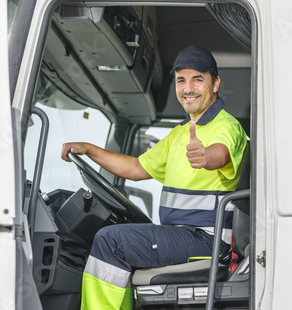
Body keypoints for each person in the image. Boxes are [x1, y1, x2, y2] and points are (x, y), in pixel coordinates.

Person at [61, 45, 247, 310]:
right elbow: (137, 168)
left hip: (207, 240)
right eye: (181, 80)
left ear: (215, 83)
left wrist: (206, 156)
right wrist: (90, 150)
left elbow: (221, 153)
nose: (188, 88)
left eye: (198, 79)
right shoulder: (179, 133)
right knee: (117, 237)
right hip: (182, 235)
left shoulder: (226, 126)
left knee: (110, 241)